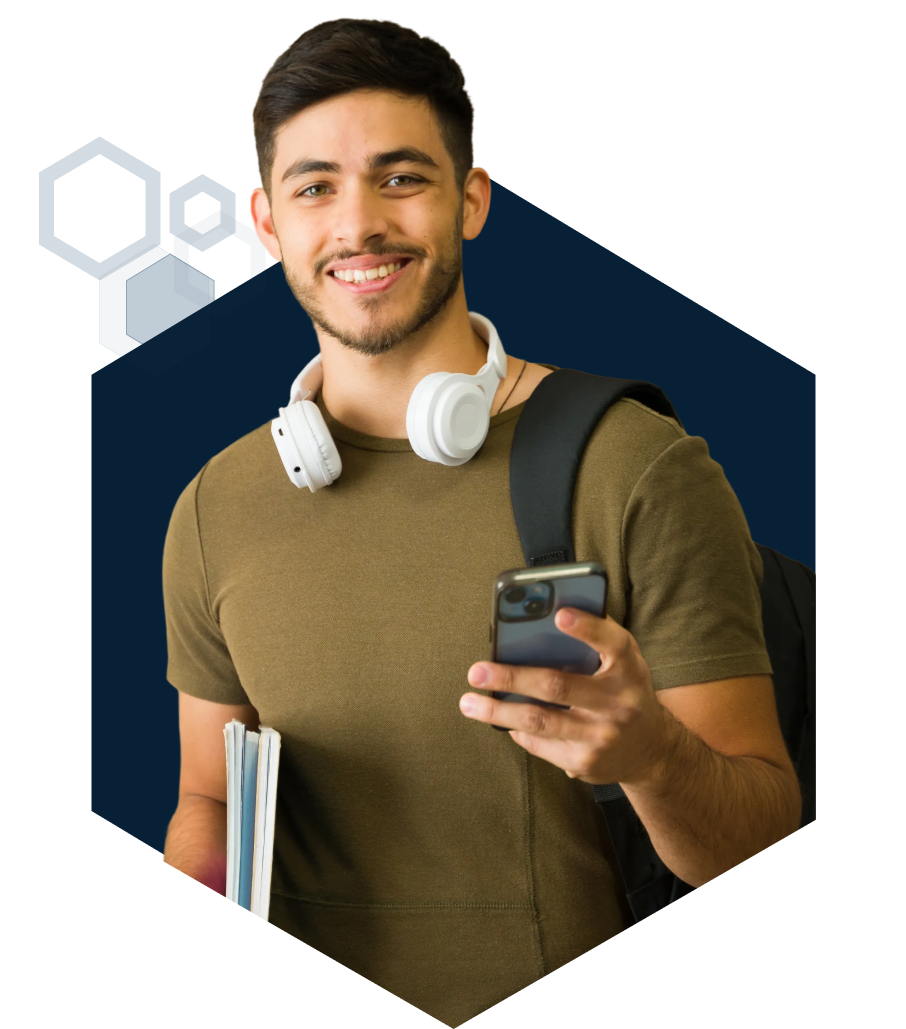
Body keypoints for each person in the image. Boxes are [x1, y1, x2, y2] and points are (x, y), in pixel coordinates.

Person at [161, 18, 801, 1027]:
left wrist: (655, 758)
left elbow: (763, 829)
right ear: (268, 223)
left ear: (471, 200)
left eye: (401, 178)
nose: (358, 224)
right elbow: (209, 799)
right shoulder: (215, 506)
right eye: (316, 186)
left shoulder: (635, 467)